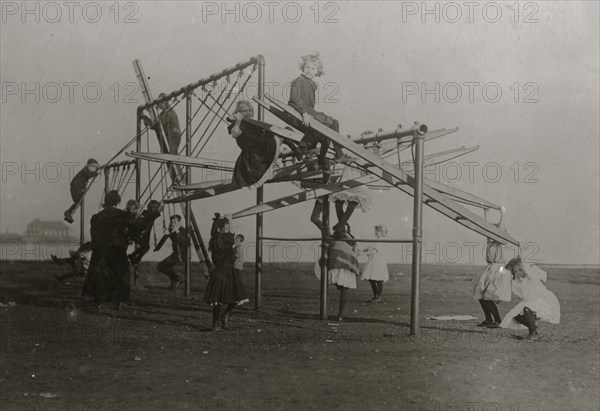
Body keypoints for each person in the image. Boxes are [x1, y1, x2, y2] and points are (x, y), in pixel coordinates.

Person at [288, 52, 352, 170]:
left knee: (328, 129)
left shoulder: (310, 84)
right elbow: (294, 98)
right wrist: (304, 113)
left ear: (317, 71)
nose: (309, 71)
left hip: (306, 111)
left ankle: (320, 157)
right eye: (307, 67)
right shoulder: (299, 81)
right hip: (298, 111)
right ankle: (336, 154)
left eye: (313, 69)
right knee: (333, 123)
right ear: (303, 68)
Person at [82, 190, 133, 305]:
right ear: (118, 201)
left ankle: (97, 298)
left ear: (105, 202)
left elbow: (93, 234)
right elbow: (130, 231)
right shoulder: (124, 215)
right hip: (117, 248)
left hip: (101, 249)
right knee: (121, 272)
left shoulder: (96, 217)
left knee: (99, 272)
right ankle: (120, 300)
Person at [204, 214, 248, 331]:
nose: (229, 231)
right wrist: (230, 219)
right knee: (219, 299)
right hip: (222, 271)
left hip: (227, 270)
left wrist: (227, 221)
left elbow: (230, 234)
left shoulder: (218, 240)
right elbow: (232, 233)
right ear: (219, 230)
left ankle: (222, 317)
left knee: (236, 295)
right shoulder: (221, 240)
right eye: (226, 228)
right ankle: (216, 323)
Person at [500, 256, 560, 341]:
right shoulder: (518, 281)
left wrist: (521, 259)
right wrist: (504, 267)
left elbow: (526, 268)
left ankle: (533, 334)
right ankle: (535, 329)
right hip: (530, 301)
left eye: (520, 270)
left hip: (543, 300)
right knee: (516, 316)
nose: (518, 273)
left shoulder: (531, 277)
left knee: (526, 310)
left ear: (524, 269)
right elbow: (504, 273)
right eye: (516, 271)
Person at [468, 237, 512, 328]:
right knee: (480, 295)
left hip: (499, 270)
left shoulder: (502, 245)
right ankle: (488, 319)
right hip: (490, 269)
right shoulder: (490, 243)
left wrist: (500, 278)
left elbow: (504, 266)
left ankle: (498, 321)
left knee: (488, 297)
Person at [128, 200, 164, 283]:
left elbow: (154, 214)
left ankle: (133, 257)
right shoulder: (148, 214)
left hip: (142, 234)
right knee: (146, 247)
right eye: (155, 209)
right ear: (153, 209)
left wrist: (159, 207)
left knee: (145, 247)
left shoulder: (146, 213)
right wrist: (160, 209)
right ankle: (133, 258)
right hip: (140, 234)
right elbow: (155, 214)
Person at [154, 214, 187, 290]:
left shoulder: (183, 231)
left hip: (182, 254)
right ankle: (175, 278)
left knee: (162, 266)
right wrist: (168, 233)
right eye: (172, 222)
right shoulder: (173, 230)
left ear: (179, 222)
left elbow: (184, 243)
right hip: (176, 253)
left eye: (175, 222)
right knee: (160, 266)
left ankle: (176, 278)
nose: (173, 224)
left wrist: (177, 232)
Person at [359, 225, 390, 303]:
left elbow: (374, 251)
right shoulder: (376, 240)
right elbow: (370, 248)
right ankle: (375, 295)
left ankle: (379, 296)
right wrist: (361, 250)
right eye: (376, 230)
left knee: (378, 278)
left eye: (378, 231)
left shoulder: (382, 240)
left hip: (378, 262)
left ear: (382, 232)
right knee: (371, 278)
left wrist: (362, 253)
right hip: (373, 261)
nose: (376, 232)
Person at [64, 159, 100, 224]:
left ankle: (69, 212)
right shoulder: (86, 169)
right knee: (78, 201)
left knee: (79, 201)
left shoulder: (86, 170)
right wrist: (96, 173)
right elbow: (89, 174)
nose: (95, 169)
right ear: (91, 166)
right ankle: (68, 212)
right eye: (95, 168)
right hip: (76, 187)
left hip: (78, 187)